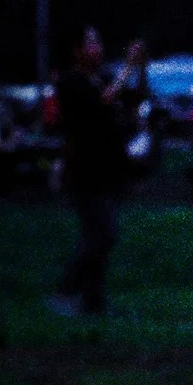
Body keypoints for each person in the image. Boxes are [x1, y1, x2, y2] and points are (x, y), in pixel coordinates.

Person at [48, 27, 142, 316]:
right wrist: (128, 66)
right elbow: (103, 101)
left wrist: (139, 70)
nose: (97, 48)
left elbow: (128, 101)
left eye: (98, 42)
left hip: (106, 168)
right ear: (76, 51)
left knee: (98, 234)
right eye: (90, 43)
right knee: (102, 233)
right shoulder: (70, 81)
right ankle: (66, 289)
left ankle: (93, 301)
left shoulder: (100, 77)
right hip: (83, 169)